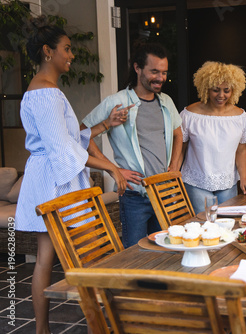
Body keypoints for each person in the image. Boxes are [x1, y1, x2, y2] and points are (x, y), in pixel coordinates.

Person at [16, 21, 128, 334]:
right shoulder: (46, 94)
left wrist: (105, 124)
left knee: (46, 257)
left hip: (47, 175)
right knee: (84, 253)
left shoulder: (41, 91)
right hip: (55, 181)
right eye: (66, 49)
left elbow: (69, 138)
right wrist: (110, 167)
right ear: (47, 52)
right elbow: (63, 150)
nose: (71, 55)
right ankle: (91, 324)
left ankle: (44, 329)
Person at [82, 43, 183, 248]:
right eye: (154, 71)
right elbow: (83, 134)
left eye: (163, 72)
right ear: (137, 68)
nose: (160, 78)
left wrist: (174, 166)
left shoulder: (166, 102)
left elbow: (178, 134)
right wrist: (114, 169)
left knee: (165, 252)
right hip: (134, 195)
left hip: (163, 192)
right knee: (134, 254)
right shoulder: (117, 101)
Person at [180, 61, 246, 214]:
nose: (221, 95)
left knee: (225, 227)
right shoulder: (189, 115)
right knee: (203, 225)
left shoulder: (240, 117)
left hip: (227, 184)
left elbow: (241, 151)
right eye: (216, 90)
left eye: (226, 90)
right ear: (206, 88)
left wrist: (244, 178)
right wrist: (174, 177)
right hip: (196, 182)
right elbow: (180, 150)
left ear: (234, 90)